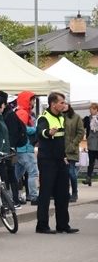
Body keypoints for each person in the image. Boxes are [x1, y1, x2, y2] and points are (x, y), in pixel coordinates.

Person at [35, 92, 77, 234]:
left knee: (63, 193)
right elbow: (40, 132)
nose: (64, 105)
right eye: (62, 103)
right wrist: (48, 133)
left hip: (60, 160)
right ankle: (42, 225)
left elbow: (60, 141)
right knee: (45, 193)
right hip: (47, 160)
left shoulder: (60, 117)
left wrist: (64, 156)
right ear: (53, 104)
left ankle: (63, 224)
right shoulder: (44, 118)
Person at [12, 91, 40, 205]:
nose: (34, 101)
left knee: (16, 175)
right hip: (25, 147)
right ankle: (34, 197)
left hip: (21, 148)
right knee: (33, 172)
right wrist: (37, 130)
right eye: (32, 99)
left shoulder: (19, 111)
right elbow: (22, 129)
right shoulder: (23, 113)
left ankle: (10, 197)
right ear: (28, 100)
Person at [64, 101, 84, 203]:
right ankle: (64, 193)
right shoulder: (58, 117)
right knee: (63, 173)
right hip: (60, 149)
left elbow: (81, 132)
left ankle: (74, 192)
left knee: (71, 171)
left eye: (65, 104)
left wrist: (73, 144)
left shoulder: (76, 117)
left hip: (71, 149)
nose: (63, 106)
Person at [85, 102, 98, 187]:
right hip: (91, 141)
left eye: (92, 109)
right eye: (90, 109)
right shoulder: (88, 118)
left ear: (96, 109)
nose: (90, 111)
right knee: (91, 161)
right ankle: (88, 177)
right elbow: (85, 127)